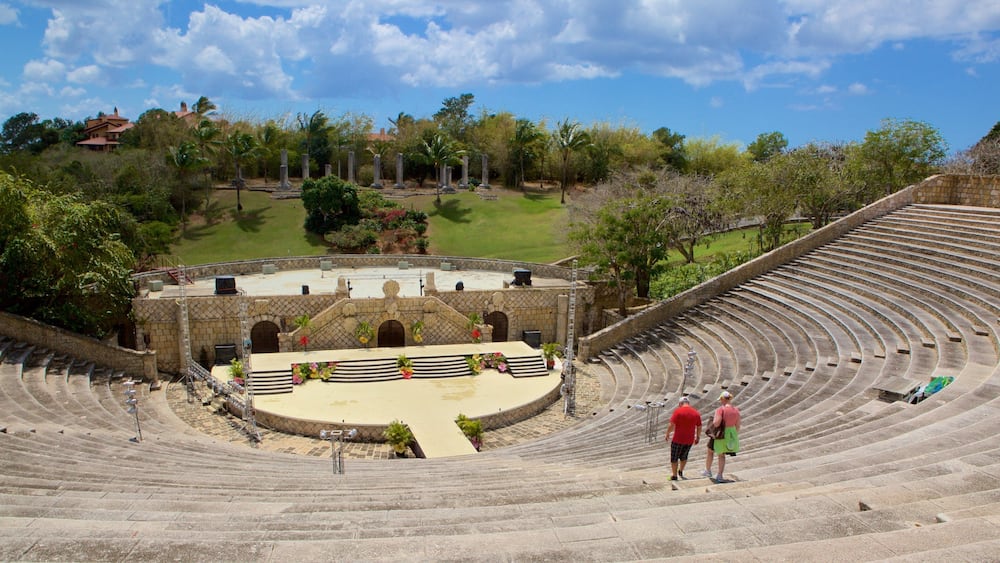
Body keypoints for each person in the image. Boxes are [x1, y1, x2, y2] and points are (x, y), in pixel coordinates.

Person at [702, 390, 741, 483]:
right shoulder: (736, 410)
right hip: (730, 433)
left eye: (721, 400)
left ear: (723, 399)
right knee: (722, 455)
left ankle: (708, 471)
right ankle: (720, 475)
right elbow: (738, 425)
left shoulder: (720, 410)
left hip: (720, 433)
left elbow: (716, 423)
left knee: (710, 451)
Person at [664, 396, 701, 481]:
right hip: (689, 439)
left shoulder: (678, 411)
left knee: (674, 457)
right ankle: (680, 470)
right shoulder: (696, 413)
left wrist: (667, 434)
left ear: (680, 404)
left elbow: (672, 424)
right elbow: (699, 426)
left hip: (678, 439)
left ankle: (674, 475)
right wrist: (698, 437)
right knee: (684, 456)